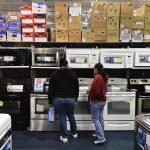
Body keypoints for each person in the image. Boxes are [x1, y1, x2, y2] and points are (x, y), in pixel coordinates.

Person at [48, 58, 79, 143]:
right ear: (67, 64)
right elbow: (77, 88)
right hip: (71, 99)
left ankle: (64, 137)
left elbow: (51, 90)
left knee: (62, 116)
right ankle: (74, 133)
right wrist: (75, 98)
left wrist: (50, 101)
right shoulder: (73, 74)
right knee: (71, 115)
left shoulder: (54, 74)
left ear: (59, 65)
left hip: (58, 99)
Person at [88, 63, 109, 145]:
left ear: (96, 69)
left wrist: (92, 97)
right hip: (102, 100)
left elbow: (96, 91)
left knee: (95, 119)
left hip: (97, 101)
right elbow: (104, 89)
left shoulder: (98, 77)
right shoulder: (104, 77)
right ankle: (99, 134)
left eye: (94, 69)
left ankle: (101, 138)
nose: (94, 70)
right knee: (100, 118)